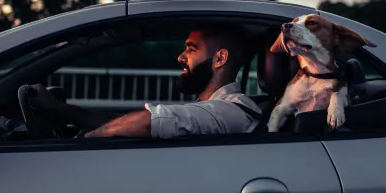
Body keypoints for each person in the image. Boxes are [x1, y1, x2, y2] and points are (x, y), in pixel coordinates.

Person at [28, 24, 264, 139]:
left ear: (220, 58)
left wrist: (88, 140)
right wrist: (59, 109)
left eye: (191, 49)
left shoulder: (232, 110)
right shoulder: (214, 107)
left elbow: (150, 120)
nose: (180, 57)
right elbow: (121, 123)